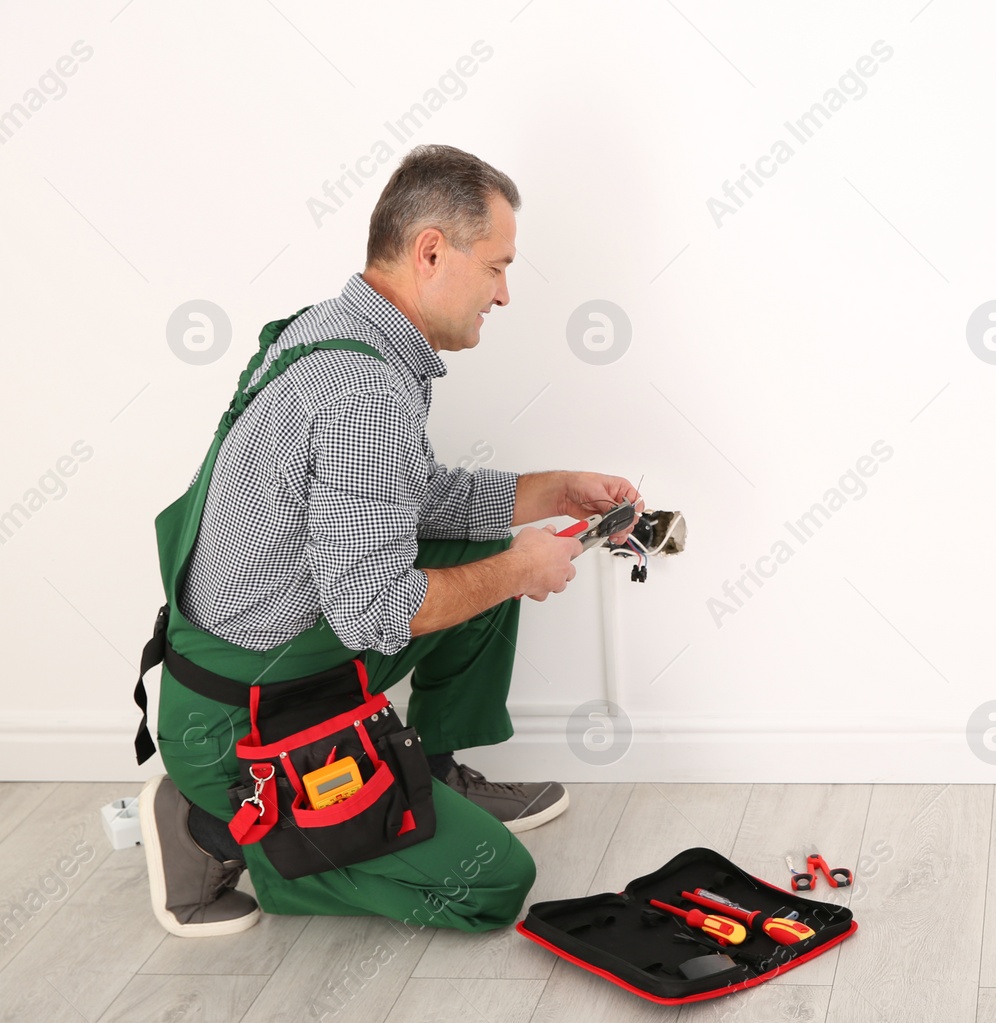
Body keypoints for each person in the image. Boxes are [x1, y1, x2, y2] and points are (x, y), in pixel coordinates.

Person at [135, 143, 641, 937]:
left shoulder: (338, 332)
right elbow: (376, 610)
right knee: (492, 886)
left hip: (282, 659)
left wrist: (552, 490)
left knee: (486, 556)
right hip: (245, 725)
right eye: (498, 267)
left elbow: (413, 501)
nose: (505, 295)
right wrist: (518, 569)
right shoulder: (365, 389)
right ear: (431, 251)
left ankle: (428, 771)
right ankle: (214, 828)